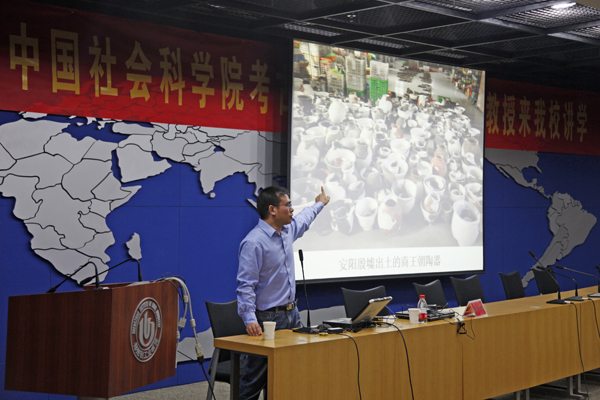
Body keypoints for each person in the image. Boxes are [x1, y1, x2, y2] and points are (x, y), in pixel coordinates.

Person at [236, 185, 330, 400]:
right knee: (254, 380)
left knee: (292, 375)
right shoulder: (254, 242)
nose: (292, 209)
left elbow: (305, 217)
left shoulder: (287, 231)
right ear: (272, 210)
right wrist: (250, 318)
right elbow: (246, 285)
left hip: (292, 314)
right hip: (268, 319)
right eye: (287, 205)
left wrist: (319, 203)